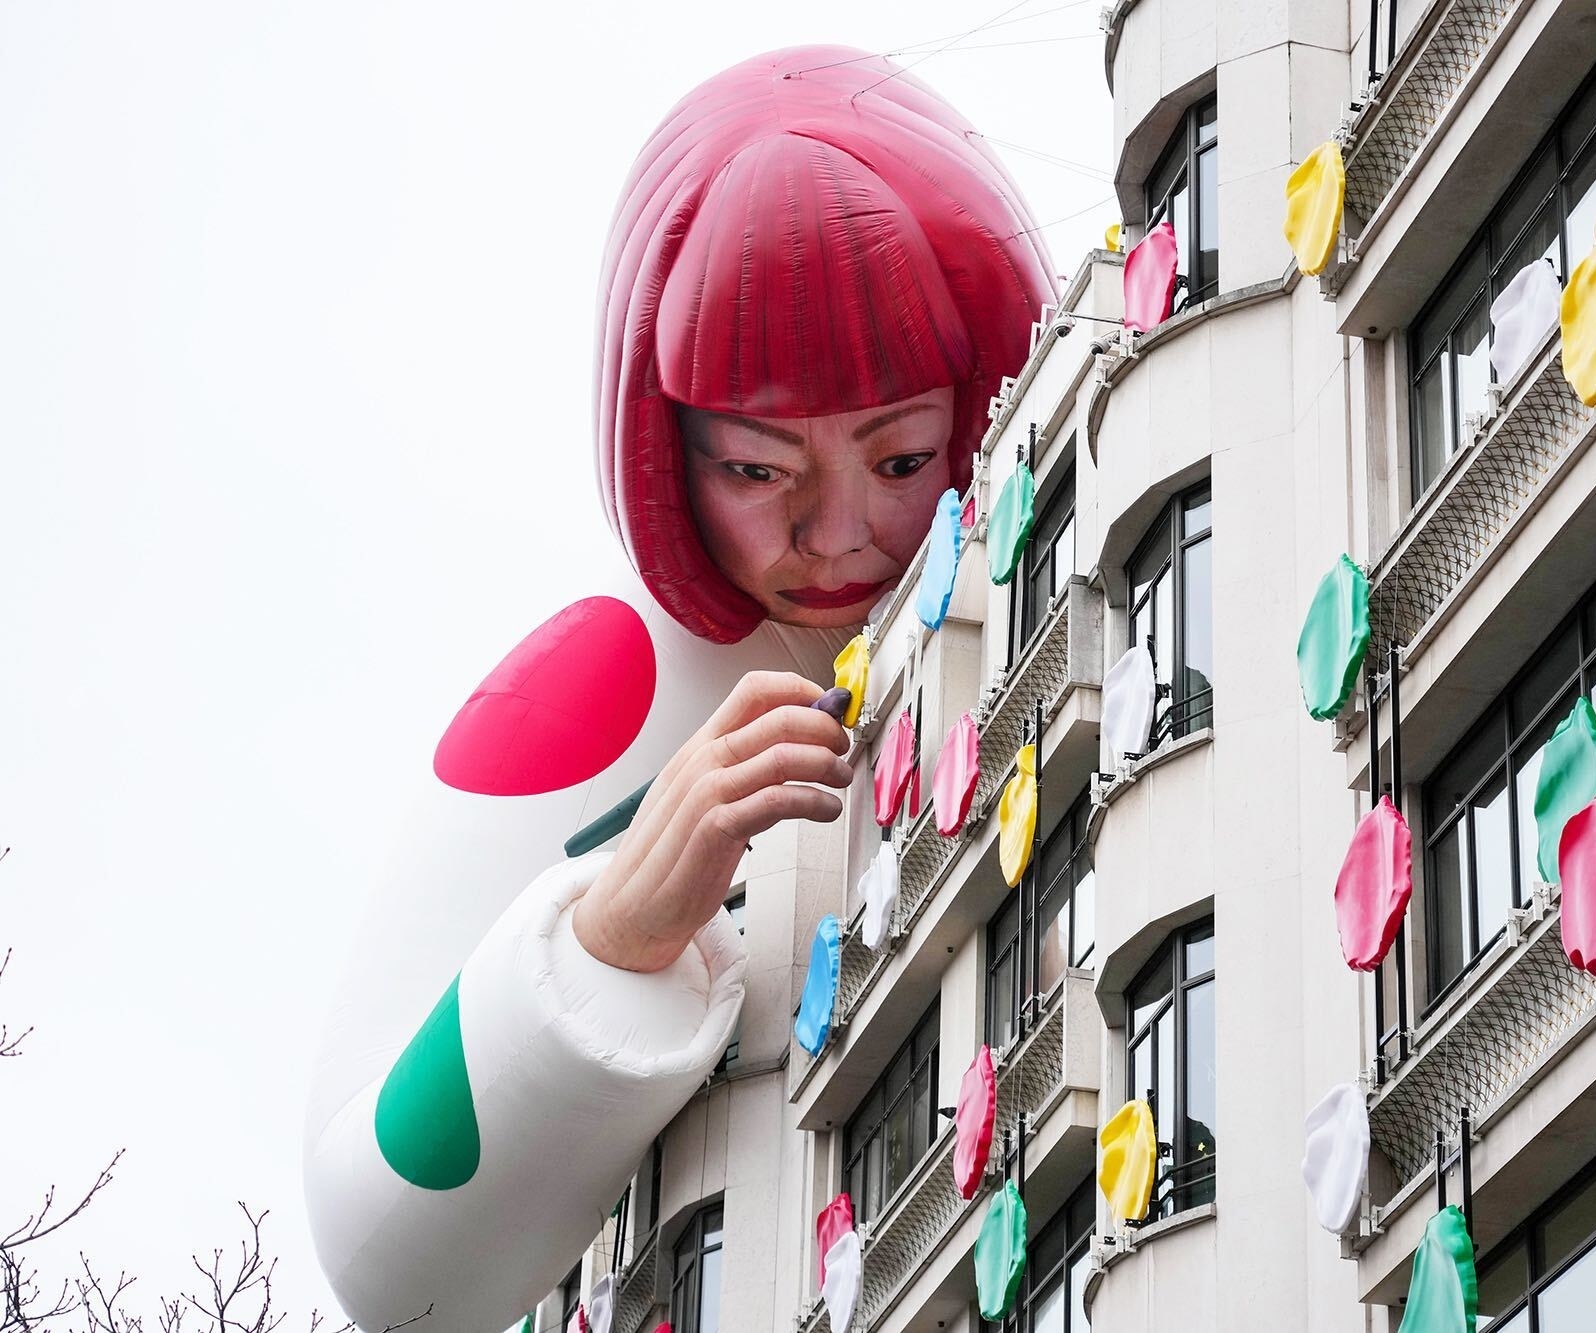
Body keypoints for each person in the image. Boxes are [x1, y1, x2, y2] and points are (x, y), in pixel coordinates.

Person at [302, 46, 1055, 1332]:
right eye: (760, 471)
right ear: (671, 455)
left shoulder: (1073, 550)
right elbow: (375, 1243)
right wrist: (612, 936)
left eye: (902, 456)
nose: (836, 534)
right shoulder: (606, 676)